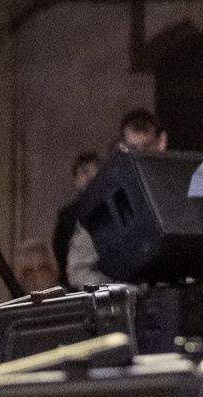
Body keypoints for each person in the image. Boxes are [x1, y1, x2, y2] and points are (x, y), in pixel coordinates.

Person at [66, 112, 168, 287]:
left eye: (147, 148)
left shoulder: (174, 189)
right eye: (133, 150)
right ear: (122, 147)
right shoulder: (102, 198)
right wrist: (118, 289)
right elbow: (78, 270)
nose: (140, 158)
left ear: (161, 142)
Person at [51, 151, 100, 280]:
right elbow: (61, 254)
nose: (90, 177)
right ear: (76, 179)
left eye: (95, 172)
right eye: (84, 172)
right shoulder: (67, 216)